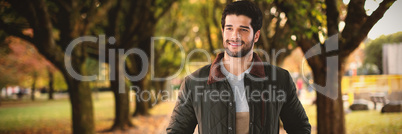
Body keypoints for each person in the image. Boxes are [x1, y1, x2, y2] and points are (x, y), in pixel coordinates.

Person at [166, 1, 311, 134]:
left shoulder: (280, 80)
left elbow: (300, 128)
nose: (235, 36)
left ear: (256, 36)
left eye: (243, 29)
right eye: (229, 28)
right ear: (223, 32)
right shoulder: (194, 82)